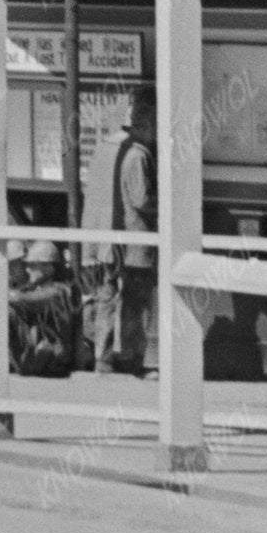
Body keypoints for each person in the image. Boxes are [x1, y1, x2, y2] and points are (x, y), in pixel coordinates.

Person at [100, 101, 160, 377]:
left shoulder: (127, 152)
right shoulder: (139, 156)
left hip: (129, 241)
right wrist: (165, 204)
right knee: (137, 304)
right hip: (139, 242)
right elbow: (141, 198)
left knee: (130, 302)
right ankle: (132, 358)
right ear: (146, 126)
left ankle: (124, 356)